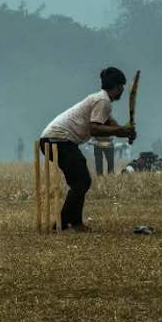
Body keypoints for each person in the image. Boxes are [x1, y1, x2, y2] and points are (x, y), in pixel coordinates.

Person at [38, 67, 134, 232]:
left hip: (55, 140)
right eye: (122, 87)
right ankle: (63, 224)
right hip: (58, 139)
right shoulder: (103, 101)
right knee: (81, 181)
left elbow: (111, 125)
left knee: (81, 181)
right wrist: (122, 131)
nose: (123, 91)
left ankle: (74, 223)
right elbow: (95, 129)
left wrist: (125, 132)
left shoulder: (100, 99)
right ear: (117, 87)